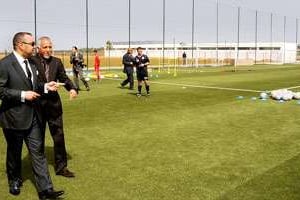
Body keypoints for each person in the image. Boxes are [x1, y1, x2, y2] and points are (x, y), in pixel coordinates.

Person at [0, 32, 64, 199]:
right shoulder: (5, 64)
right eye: (31, 43)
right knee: (14, 152)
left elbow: (34, 85)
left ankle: (46, 190)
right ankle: (14, 180)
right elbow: (0, 90)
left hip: (34, 117)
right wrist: (22, 95)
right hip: (13, 118)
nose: (35, 46)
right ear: (20, 45)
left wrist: (45, 87)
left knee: (38, 152)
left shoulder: (32, 63)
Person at [30, 36, 77, 178]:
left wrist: (72, 89)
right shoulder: (31, 61)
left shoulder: (57, 62)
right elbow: (29, 82)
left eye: (50, 47)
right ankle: (39, 169)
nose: (48, 50)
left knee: (59, 137)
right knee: (38, 139)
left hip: (54, 106)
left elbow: (63, 77)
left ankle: (61, 167)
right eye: (45, 47)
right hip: (37, 106)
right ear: (39, 48)